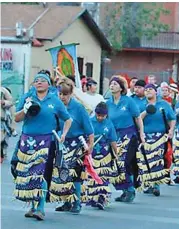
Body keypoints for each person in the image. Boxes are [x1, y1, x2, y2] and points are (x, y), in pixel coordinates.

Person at [13, 73, 73, 220]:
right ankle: (32, 207)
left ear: (48, 84)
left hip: (47, 140)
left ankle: (40, 207)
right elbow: (16, 118)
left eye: (42, 81)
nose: (39, 82)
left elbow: (68, 119)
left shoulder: (55, 100)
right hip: (27, 140)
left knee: (42, 173)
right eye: (36, 80)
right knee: (29, 173)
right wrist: (25, 108)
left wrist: (64, 134)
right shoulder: (27, 97)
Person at [50, 78, 94, 214]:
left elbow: (89, 129)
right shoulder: (56, 106)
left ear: (70, 94)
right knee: (62, 173)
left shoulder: (78, 108)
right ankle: (66, 201)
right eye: (60, 94)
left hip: (76, 143)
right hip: (61, 143)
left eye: (65, 94)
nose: (62, 97)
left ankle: (77, 202)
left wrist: (90, 145)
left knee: (75, 174)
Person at [106, 75, 145, 203]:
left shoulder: (128, 101)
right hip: (114, 136)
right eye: (111, 84)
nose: (112, 86)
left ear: (121, 87)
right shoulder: (107, 103)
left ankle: (130, 189)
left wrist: (141, 133)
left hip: (129, 135)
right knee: (116, 164)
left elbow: (138, 117)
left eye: (115, 84)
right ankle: (124, 190)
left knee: (124, 162)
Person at [139, 83, 176, 196]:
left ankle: (156, 185)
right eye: (146, 90)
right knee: (146, 160)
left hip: (160, 136)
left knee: (157, 159)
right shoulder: (141, 104)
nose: (148, 91)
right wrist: (146, 111)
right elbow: (137, 119)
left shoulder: (164, 104)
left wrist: (171, 131)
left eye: (150, 89)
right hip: (145, 136)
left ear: (156, 92)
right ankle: (149, 183)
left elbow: (172, 118)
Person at [85, 102, 119, 210]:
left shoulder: (109, 124)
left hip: (105, 153)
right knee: (92, 175)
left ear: (106, 115)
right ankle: (93, 197)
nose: (100, 118)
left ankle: (102, 197)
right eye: (98, 115)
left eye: (102, 116)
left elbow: (113, 140)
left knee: (103, 175)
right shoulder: (90, 122)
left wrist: (116, 152)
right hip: (92, 152)